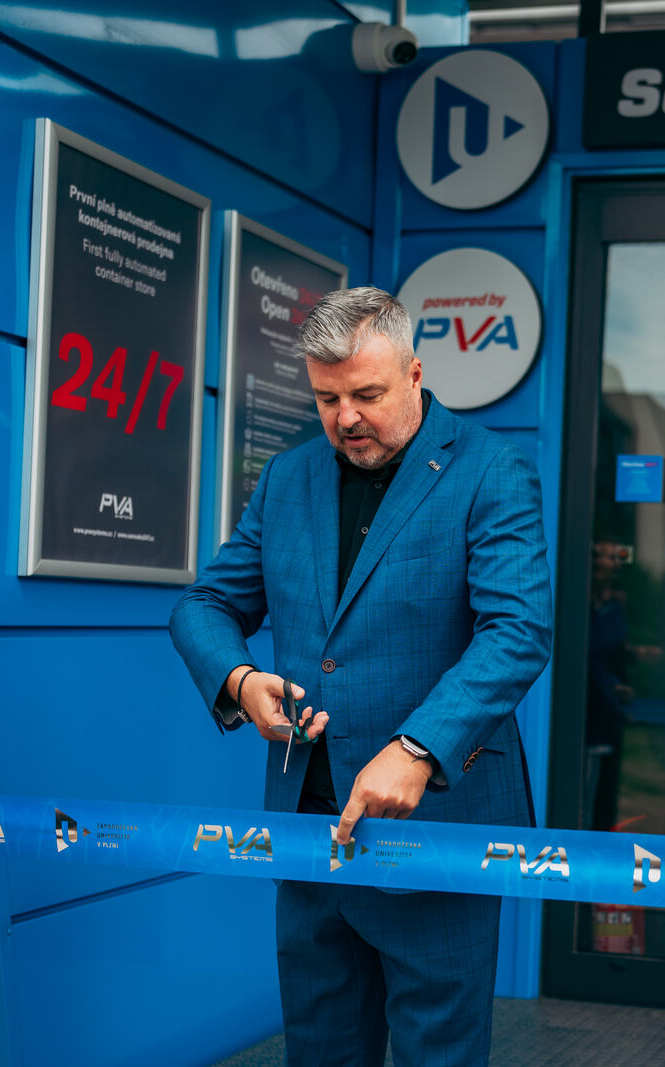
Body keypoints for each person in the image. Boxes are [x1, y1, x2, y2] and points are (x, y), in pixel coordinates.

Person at [169, 286, 551, 1066]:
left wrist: (417, 748)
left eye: (367, 395)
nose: (345, 417)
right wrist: (241, 680)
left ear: (415, 374)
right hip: (307, 834)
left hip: (437, 830)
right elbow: (204, 605)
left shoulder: (492, 470)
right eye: (327, 398)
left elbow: (517, 631)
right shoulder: (287, 478)